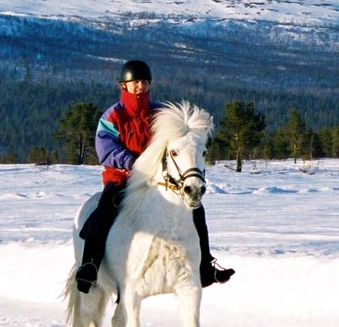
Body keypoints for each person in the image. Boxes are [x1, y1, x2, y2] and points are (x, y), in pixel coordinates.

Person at [73, 59, 235, 293]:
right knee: (106, 207)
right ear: (124, 85)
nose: (140, 86)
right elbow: (106, 149)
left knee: (195, 209)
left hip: (158, 180)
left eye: (144, 82)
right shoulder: (112, 116)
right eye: (135, 82)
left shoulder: (161, 114)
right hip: (122, 178)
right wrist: (134, 163)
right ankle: (89, 265)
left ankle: (204, 265)